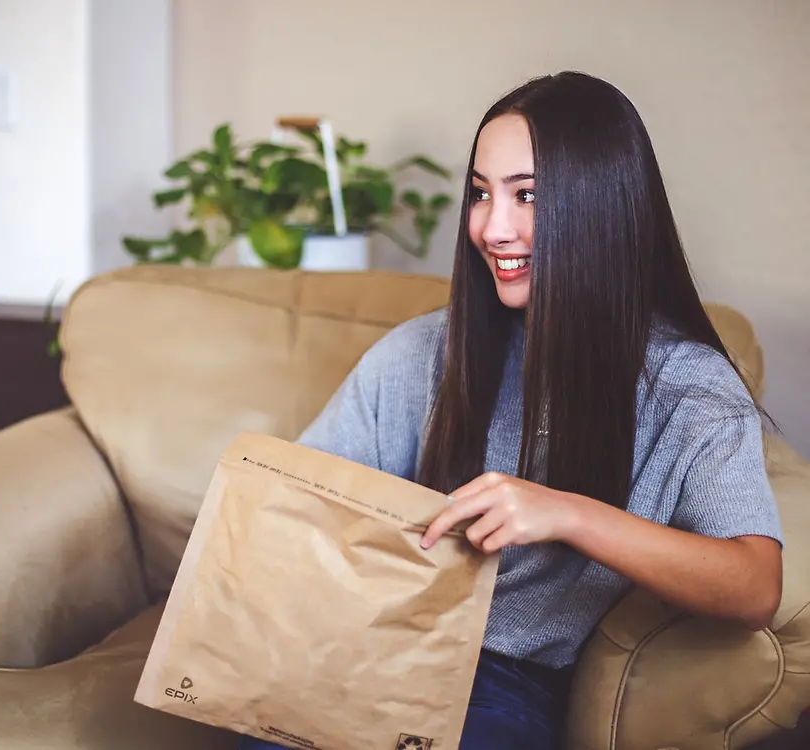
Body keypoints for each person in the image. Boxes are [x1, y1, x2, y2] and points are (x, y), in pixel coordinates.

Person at [240, 71, 784, 750]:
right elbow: (293, 510)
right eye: (480, 194)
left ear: (601, 208)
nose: (492, 228)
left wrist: (567, 513)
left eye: (527, 195)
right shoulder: (421, 354)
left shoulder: (687, 388)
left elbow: (754, 585)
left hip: (503, 685)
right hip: (355, 652)